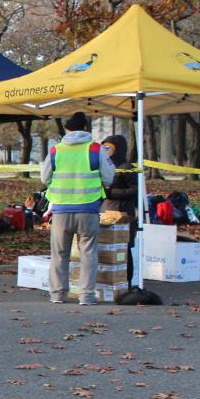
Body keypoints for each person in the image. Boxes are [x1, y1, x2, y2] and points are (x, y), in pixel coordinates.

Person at [42, 112, 114, 305]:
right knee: (88, 253)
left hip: (61, 210)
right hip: (88, 208)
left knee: (59, 254)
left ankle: (57, 294)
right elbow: (108, 177)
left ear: (66, 129)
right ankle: (86, 296)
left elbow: (44, 178)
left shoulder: (56, 150)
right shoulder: (96, 149)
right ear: (85, 128)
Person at [101, 134, 136, 283]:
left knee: (124, 250)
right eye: (104, 148)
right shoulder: (104, 166)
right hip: (105, 212)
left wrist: (111, 193)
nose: (106, 151)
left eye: (109, 148)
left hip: (122, 214)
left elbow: (135, 190)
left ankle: (126, 281)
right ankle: (107, 281)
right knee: (106, 247)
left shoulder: (127, 168)